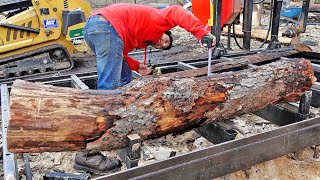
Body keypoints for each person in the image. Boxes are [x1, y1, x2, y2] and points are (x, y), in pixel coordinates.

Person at [74, 3, 216, 173]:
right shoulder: (155, 20)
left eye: (162, 47)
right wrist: (201, 33)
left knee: (124, 78)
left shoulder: (136, 37)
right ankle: (87, 154)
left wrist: (137, 67)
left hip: (96, 28)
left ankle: (123, 118)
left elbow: (122, 55)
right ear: (163, 32)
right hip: (105, 26)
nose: (162, 44)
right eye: (165, 40)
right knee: (108, 92)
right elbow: (177, 11)